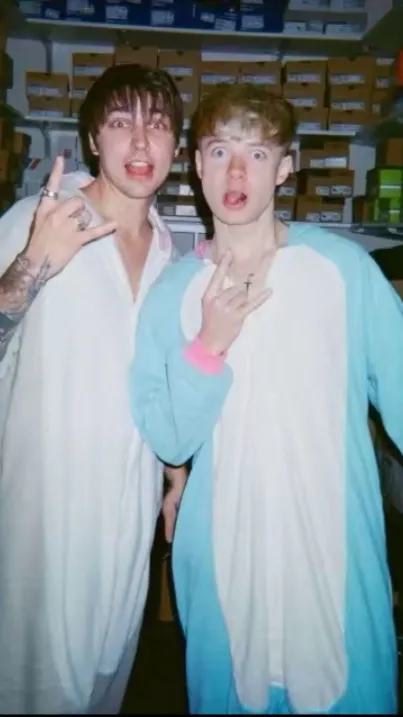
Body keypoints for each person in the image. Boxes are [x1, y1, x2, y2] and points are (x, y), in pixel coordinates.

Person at [130, 82, 403, 715]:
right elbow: (169, 436)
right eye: (219, 151)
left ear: (284, 168)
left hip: (332, 557)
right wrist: (208, 347)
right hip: (225, 560)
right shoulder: (173, 293)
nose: (235, 172)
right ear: (197, 165)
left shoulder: (342, 271)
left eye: (256, 154)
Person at [0, 63, 187, 714]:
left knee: (104, 688)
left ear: (176, 147)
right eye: (119, 123)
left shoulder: (171, 255)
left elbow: (155, 380)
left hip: (127, 525)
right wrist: (32, 263)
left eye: (156, 125)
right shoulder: (39, 218)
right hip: (38, 524)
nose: (139, 143)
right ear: (90, 139)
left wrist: (175, 472)